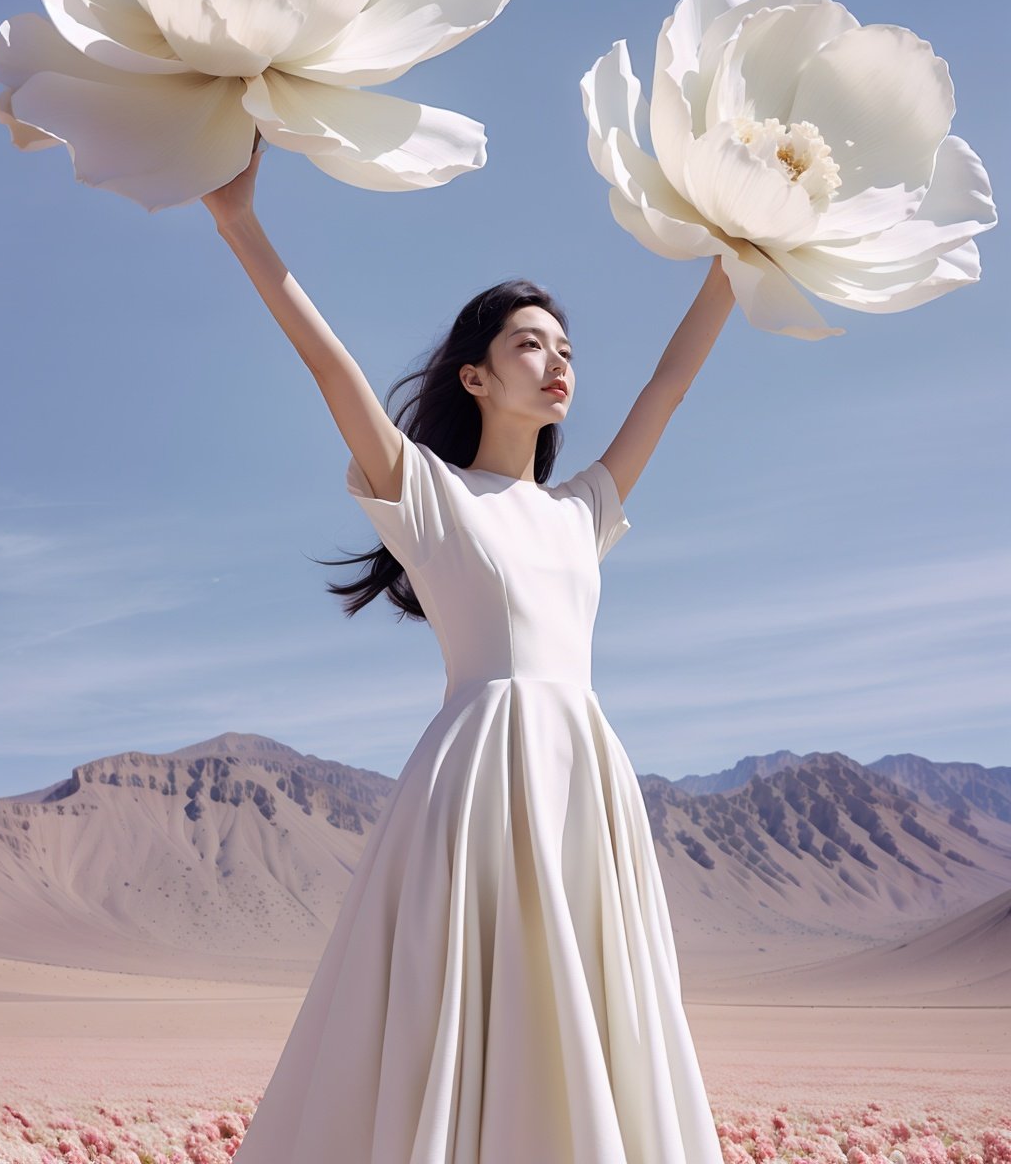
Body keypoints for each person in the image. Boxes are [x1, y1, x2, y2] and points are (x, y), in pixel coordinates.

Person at [203, 136, 736, 1164]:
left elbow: (668, 387)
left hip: (582, 780)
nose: (558, 363)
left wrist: (734, 262)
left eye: (567, 350)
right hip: (477, 782)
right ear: (476, 377)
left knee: (589, 1011)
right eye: (531, 346)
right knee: (458, 1022)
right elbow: (330, 366)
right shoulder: (433, 498)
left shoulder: (584, 511)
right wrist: (239, 221)